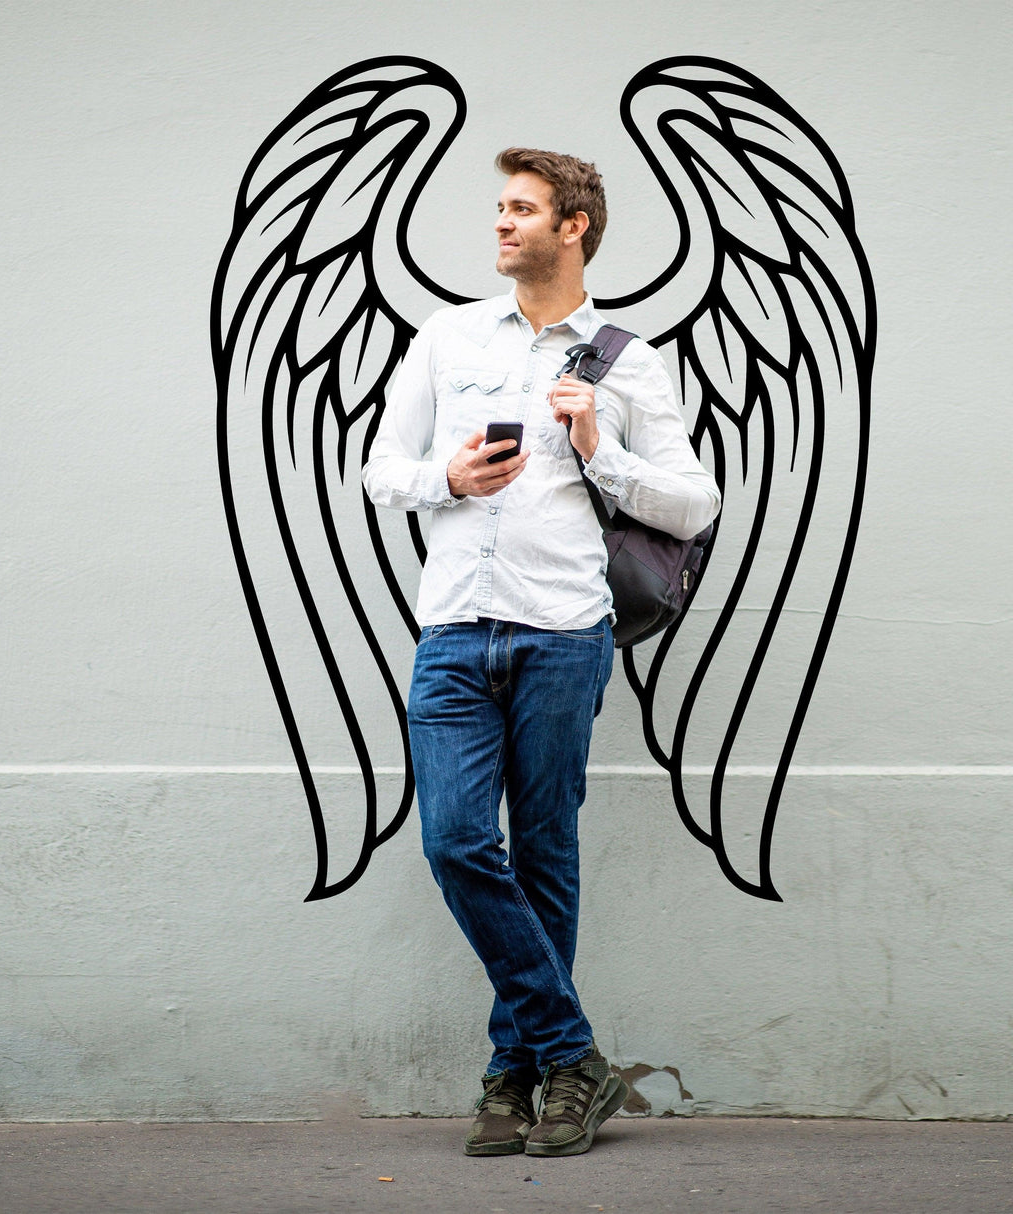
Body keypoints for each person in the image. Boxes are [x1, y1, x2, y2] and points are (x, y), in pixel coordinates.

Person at [362, 148, 720, 1157]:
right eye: (500, 208)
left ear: (573, 226)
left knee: (546, 853)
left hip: (561, 632)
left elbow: (697, 501)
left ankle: (514, 1080)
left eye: (521, 210)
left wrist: (601, 450)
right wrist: (448, 476)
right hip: (453, 627)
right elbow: (378, 467)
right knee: (455, 840)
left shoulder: (623, 357)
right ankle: (573, 1052)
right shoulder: (448, 335)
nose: (500, 225)